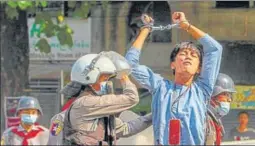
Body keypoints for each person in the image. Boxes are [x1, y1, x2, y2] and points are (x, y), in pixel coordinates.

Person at [125, 12, 223, 145]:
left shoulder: (202, 90)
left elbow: (215, 49)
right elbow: (130, 64)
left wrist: (187, 26)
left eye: (193, 55)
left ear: (199, 69)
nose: (188, 56)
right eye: (183, 53)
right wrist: (146, 29)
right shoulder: (160, 87)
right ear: (173, 64)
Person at [61, 51, 157, 145]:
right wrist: (124, 77)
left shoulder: (96, 110)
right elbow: (132, 98)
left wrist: (155, 114)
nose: (107, 83)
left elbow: (127, 129)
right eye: (105, 79)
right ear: (90, 78)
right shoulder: (86, 103)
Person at [205, 73, 236, 145]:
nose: (229, 100)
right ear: (213, 95)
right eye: (226, 95)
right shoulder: (203, 120)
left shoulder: (216, 119)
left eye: (230, 96)